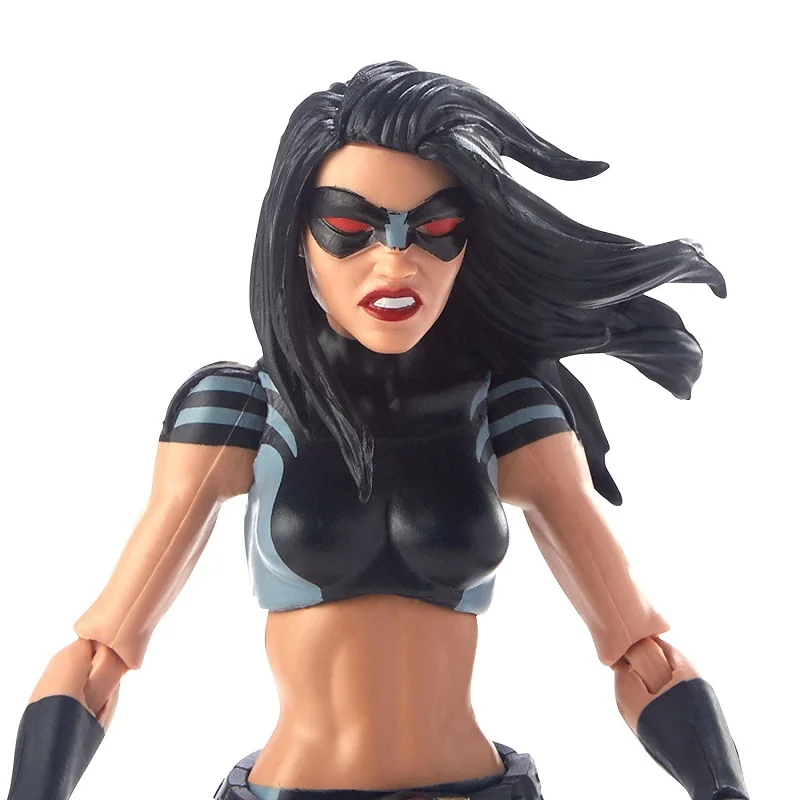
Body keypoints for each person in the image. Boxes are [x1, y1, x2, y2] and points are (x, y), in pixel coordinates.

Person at [6, 62, 748, 800]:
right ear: (297, 235)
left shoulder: (506, 413)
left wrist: (722, 788)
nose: (396, 261)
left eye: (436, 230)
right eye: (351, 229)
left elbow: (639, 653)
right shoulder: (239, 410)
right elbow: (101, 654)